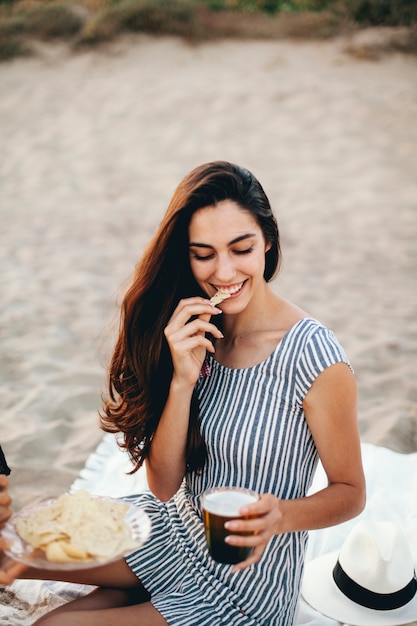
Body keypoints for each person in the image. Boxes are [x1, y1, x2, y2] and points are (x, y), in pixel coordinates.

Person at [0, 161, 366, 625]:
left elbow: (351, 492)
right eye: (204, 254)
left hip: (243, 582)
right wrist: (181, 379)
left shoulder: (316, 357)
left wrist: (281, 517)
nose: (224, 270)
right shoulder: (193, 331)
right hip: (172, 530)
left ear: (268, 242)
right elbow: (164, 485)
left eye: (241, 248)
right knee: (9, 552)